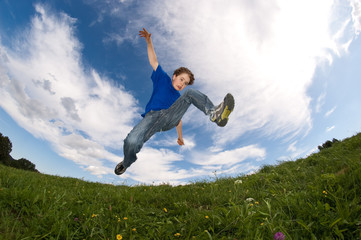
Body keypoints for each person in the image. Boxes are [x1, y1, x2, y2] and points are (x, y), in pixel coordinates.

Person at [114, 28, 234, 175]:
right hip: (151, 118)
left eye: (185, 83)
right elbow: (153, 61)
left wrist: (180, 137)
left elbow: (178, 120)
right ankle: (126, 163)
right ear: (174, 76)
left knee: (189, 94)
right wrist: (148, 41)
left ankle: (214, 113)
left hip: (169, 118)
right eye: (181, 79)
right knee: (131, 142)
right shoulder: (162, 79)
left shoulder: (179, 98)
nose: (182, 84)